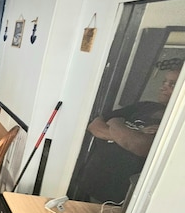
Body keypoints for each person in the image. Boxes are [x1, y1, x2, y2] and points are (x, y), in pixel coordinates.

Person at [77, 67, 181, 203]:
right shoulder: (145, 106)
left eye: (172, 84)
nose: (163, 87)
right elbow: (94, 126)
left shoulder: (176, 122)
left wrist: (115, 123)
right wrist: (129, 134)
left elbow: (141, 146)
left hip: (117, 198)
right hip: (90, 183)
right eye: (164, 82)